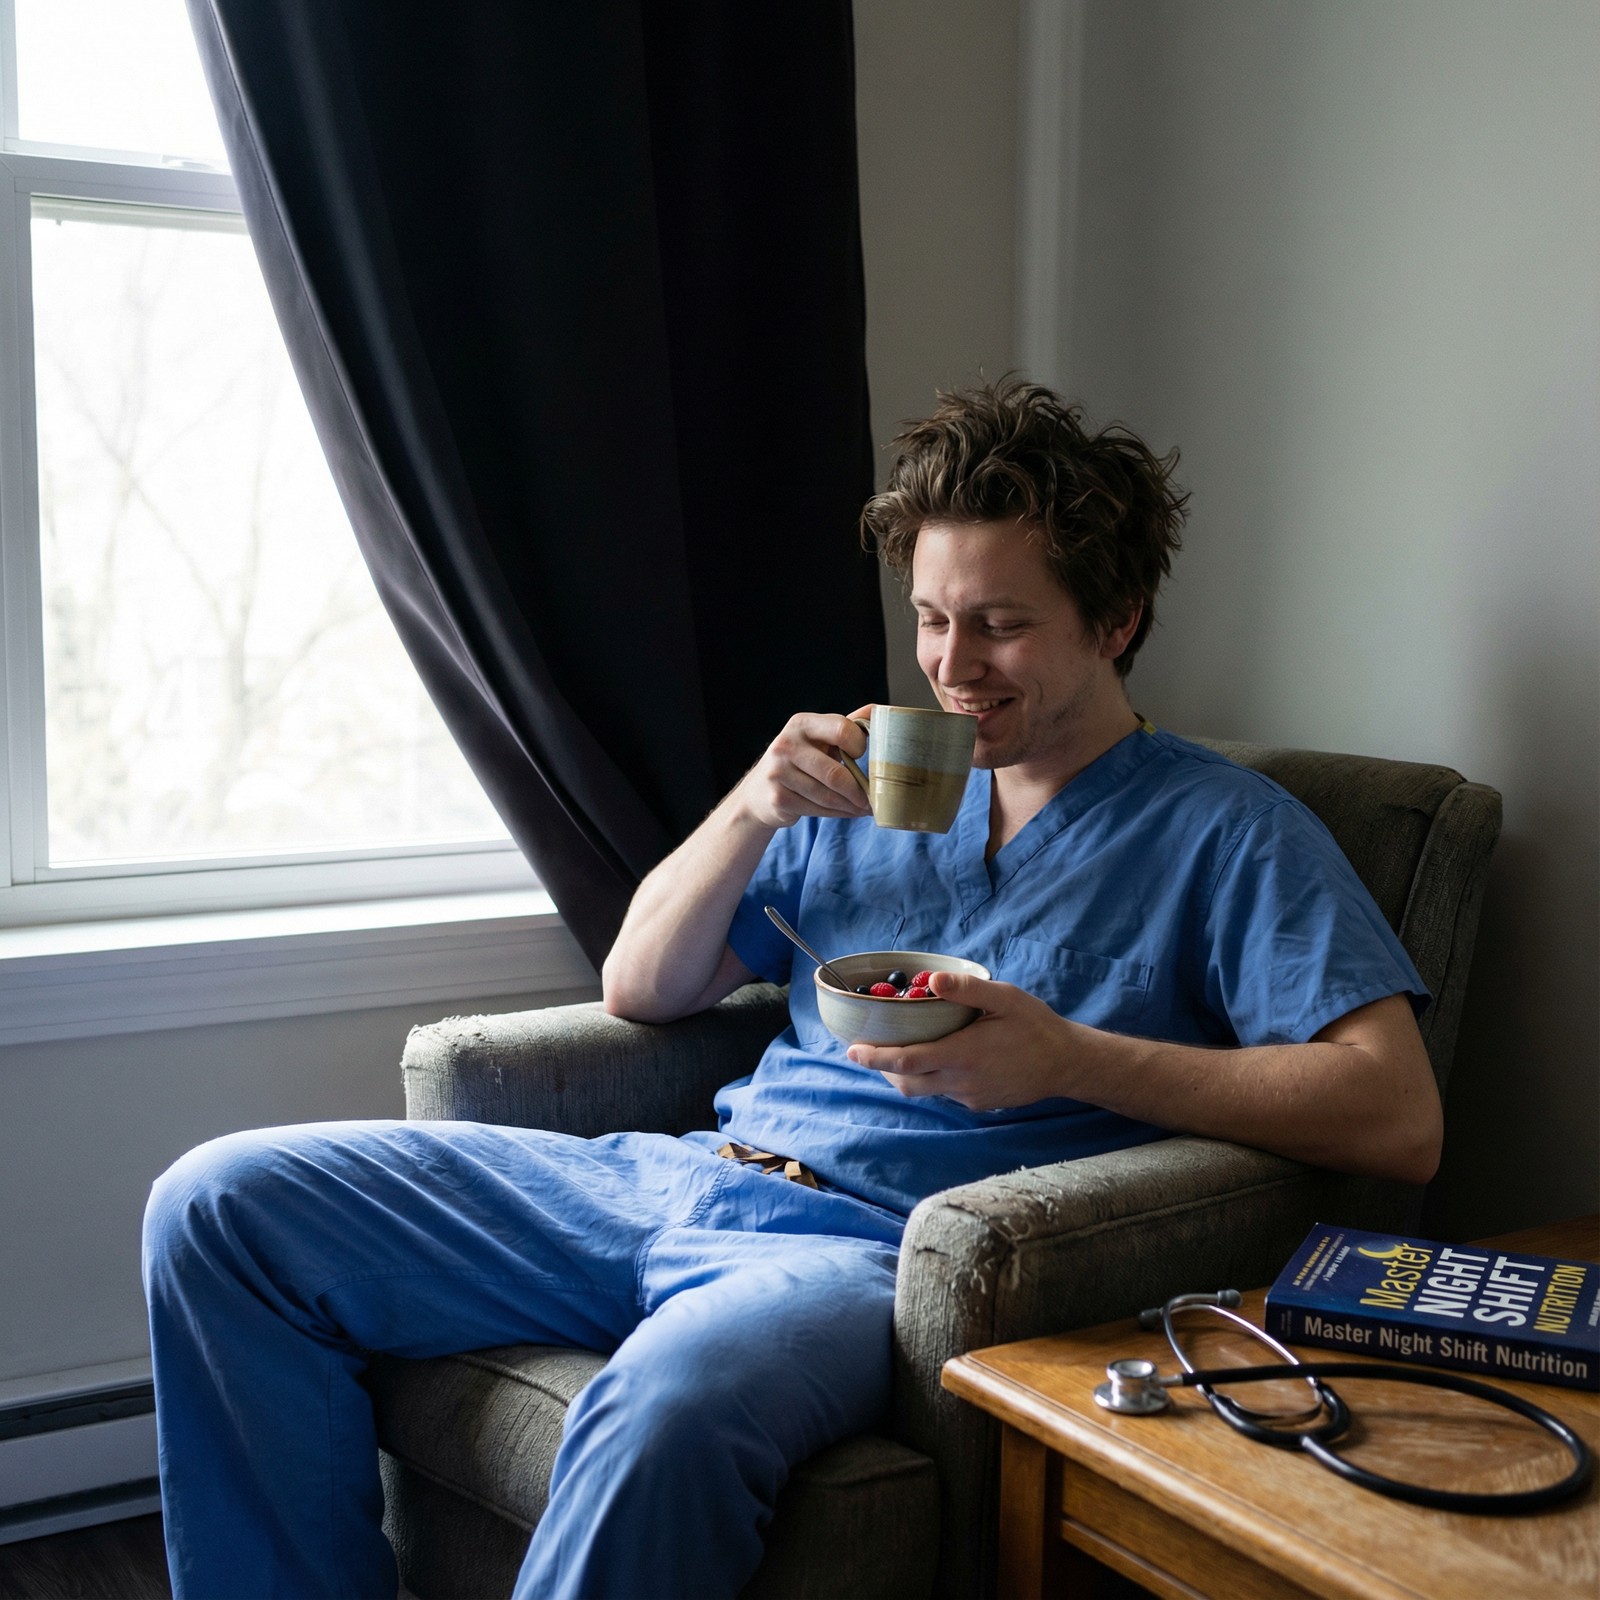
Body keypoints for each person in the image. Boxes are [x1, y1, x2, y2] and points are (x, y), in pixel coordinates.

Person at [143, 381, 1441, 1600]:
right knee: (221, 1205)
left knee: (671, 1405)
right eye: (932, 618)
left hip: (867, 1257)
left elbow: (1397, 1118)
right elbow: (641, 985)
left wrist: (1071, 1058)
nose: (952, 664)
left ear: (1116, 623)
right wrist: (754, 806)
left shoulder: (1229, 834)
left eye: (1000, 623)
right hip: (672, 1175)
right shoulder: (875, 777)